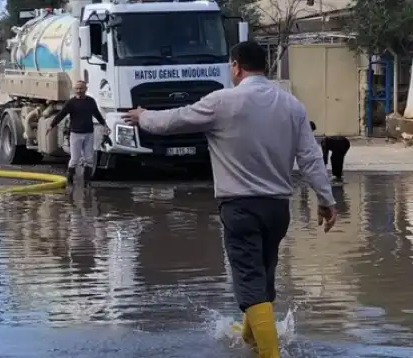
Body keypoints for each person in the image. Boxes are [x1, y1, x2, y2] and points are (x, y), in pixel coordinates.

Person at [123, 40, 337, 358]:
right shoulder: (292, 105)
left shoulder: (224, 101)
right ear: (265, 66)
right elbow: (310, 158)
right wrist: (326, 199)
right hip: (278, 208)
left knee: (250, 282)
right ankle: (252, 341)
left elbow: (174, 121)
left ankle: (270, 353)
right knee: (263, 276)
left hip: (241, 208)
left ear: (235, 66)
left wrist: (143, 116)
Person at [49, 80, 109, 185]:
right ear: (74, 90)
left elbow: (97, 114)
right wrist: (51, 125)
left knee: (89, 158)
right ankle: (70, 179)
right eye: (77, 89)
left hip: (89, 133)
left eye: (81, 88)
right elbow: (61, 114)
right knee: (75, 158)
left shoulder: (90, 101)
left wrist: (104, 124)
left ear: (85, 89)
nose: (79, 91)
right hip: (75, 133)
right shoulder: (71, 102)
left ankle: (87, 181)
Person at [311, 121, 350, 186]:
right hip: (345, 142)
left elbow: (325, 156)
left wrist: (323, 170)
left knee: (335, 158)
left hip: (342, 143)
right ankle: (338, 176)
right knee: (338, 159)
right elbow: (325, 156)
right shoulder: (327, 141)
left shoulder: (324, 142)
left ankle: (337, 176)